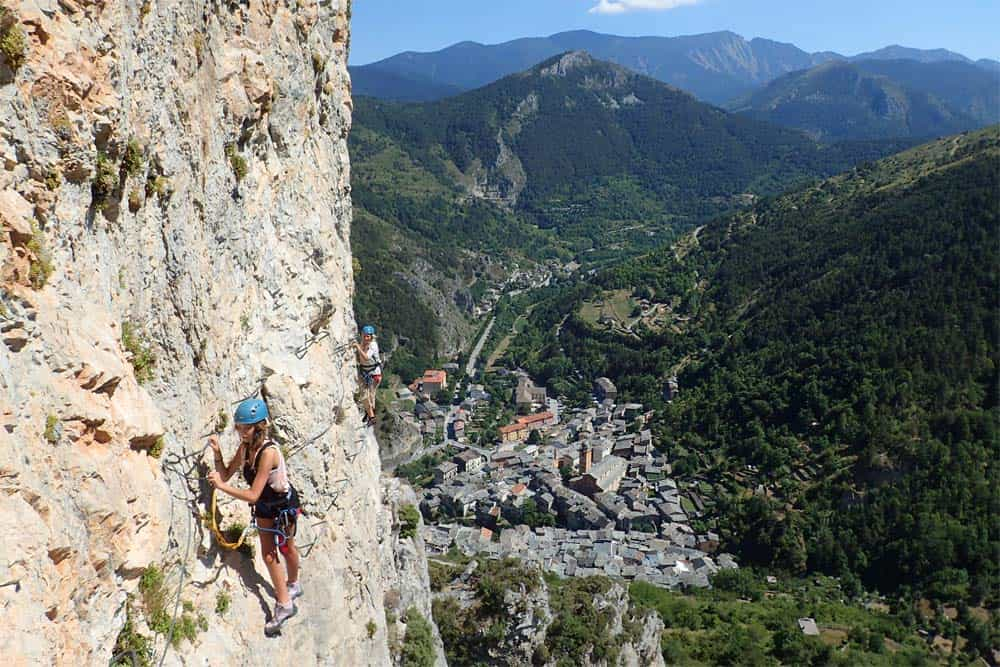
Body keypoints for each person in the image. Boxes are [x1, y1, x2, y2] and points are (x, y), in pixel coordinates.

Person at [207, 398, 302, 636]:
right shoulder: (246, 447)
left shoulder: (268, 453)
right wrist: (218, 455)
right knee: (269, 555)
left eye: (245, 427)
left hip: (281, 505)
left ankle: (293, 585)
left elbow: (251, 494)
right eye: (238, 427)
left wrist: (219, 486)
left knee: (287, 549)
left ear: (258, 426)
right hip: (265, 505)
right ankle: (285, 603)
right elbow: (227, 474)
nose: (241, 432)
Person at [355, 324, 382, 427]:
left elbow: (366, 357)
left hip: (373, 374)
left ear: (371, 337)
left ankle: (371, 417)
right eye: (365, 336)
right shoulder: (364, 343)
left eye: (368, 336)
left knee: (365, 396)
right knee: (371, 396)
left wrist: (357, 347)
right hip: (370, 373)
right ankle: (370, 414)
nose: (366, 338)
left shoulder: (372, 345)